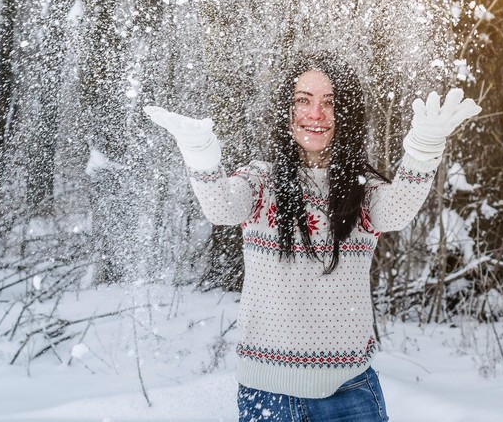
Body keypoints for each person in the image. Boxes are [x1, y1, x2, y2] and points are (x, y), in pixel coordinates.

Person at [144, 52, 480, 422]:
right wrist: (200, 153)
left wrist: (424, 147)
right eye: (303, 100)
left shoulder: (362, 192)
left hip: (348, 393)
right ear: (287, 111)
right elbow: (221, 208)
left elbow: (398, 210)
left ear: (346, 114)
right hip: (267, 395)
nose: (315, 114)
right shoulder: (261, 182)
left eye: (330, 103)